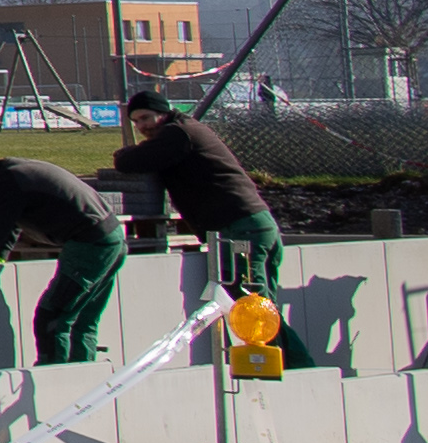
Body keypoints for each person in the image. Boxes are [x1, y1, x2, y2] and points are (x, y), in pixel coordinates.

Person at [115, 93, 315, 366]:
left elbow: (130, 162)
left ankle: (297, 371)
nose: (142, 126)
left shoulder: (178, 134)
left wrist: (124, 153)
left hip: (240, 230)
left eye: (147, 118)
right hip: (254, 225)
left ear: (164, 113)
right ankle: (287, 370)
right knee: (261, 311)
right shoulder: (185, 131)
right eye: (136, 121)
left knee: (254, 313)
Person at [0, 154, 128, 367]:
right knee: (82, 319)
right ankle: (84, 375)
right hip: (113, 239)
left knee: (51, 317)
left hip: (90, 245)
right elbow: (10, 224)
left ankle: (53, 377)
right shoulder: (19, 172)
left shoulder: (10, 182)